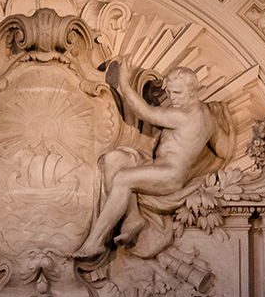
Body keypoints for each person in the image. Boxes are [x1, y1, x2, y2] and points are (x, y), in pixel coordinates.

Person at [74, 64, 220, 263]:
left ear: (193, 91)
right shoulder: (207, 117)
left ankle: (95, 241)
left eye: (177, 92)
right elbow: (223, 150)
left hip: (170, 176)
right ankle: (133, 218)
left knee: (123, 178)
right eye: (169, 92)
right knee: (114, 158)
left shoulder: (184, 116)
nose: (171, 97)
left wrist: (124, 85)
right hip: (157, 165)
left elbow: (147, 113)